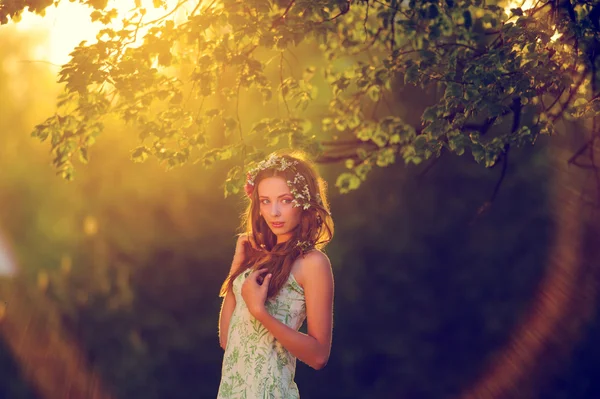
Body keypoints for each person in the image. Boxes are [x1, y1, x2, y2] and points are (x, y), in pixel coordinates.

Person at [217, 150, 335, 398]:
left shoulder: (312, 263)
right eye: (265, 201)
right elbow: (228, 341)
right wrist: (239, 263)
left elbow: (319, 356)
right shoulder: (258, 258)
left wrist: (260, 313)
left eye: (286, 200)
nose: (274, 212)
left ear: (303, 202)